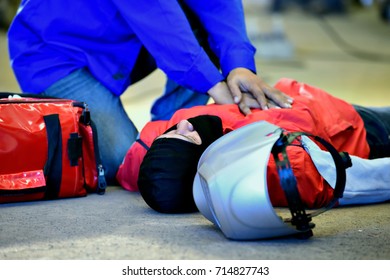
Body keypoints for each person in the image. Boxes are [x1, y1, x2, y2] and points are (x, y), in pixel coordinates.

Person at [7, 0, 292, 184]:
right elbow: (159, 18)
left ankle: (169, 131)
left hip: (121, 36)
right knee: (126, 162)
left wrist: (239, 67)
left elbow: (218, 5)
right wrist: (216, 87)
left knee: (154, 159)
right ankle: (161, 142)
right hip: (54, 54)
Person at [116, 78, 390, 213]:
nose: (185, 124)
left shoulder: (154, 161)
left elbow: (135, 163)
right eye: (187, 136)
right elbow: (342, 178)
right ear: (204, 162)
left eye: (171, 133)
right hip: (358, 131)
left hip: (320, 103)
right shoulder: (263, 166)